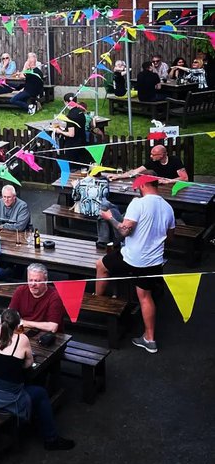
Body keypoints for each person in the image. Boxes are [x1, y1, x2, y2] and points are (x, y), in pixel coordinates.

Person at [0, 309, 74, 451]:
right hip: (5, 399)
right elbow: (28, 364)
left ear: (1, 322)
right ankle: (51, 439)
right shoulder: (22, 339)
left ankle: (34, 421)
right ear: (18, 325)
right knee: (40, 393)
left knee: (16, 382)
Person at [97, 176, 175, 353]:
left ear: (144, 184)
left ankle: (98, 303)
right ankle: (149, 339)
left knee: (101, 265)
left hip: (133, 259)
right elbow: (170, 238)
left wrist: (110, 217)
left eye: (138, 186)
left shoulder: (137, 203)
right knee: (145, 296)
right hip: (154, 261)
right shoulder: (168, 208)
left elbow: (124, 231)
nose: (137, 189)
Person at [10, 263, 67, 332]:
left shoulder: (55, 296)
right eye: (30, 280)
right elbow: (9, 315)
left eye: (37, 281)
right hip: (23, 329)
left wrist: (24, 323)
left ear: (46, 281)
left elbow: (53, 327)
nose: (33, 284)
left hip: (46, 334)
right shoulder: (20, 290)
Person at [110, 143, 189, 186]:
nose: (151, 156)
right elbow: (135, 171)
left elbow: (185, 178)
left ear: (162, 155)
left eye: (153, 155)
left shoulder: (175, 160)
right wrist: (118, 176)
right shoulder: (152, 161)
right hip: (160, 188)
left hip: (175, 187)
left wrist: (168, 181)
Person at [51, 93, 87, 160]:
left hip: (73, 145)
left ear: (67, 102)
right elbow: (76, 125)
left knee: (72, 164)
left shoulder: (70, 116)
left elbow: (71, 134)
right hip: (82, 141)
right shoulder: (80, 112)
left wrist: (60, 131)